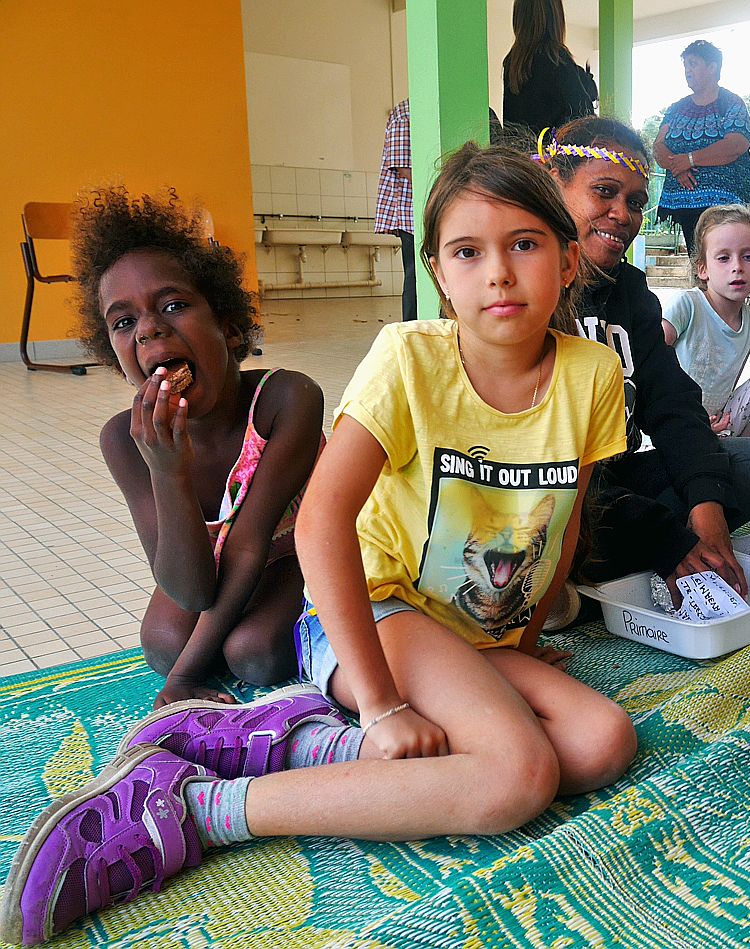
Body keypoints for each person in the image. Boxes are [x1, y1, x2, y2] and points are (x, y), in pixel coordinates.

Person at [1, 145, 636, 946]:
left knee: (601, 740)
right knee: (518, 773)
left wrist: (526, 637)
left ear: (569, 258)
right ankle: (193, 806)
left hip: (469, 631)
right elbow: (318, 525)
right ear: (439, 273)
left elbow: (564, 516)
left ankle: (300, 740)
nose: (498, 274)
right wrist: (383, 704)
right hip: (381, 610)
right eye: (468, 252)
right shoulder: (410, 360)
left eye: (524, 244)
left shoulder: (592, 375)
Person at [72, 188, 324, 708]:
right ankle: (220, 628)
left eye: (174, 305)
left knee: (254, 653)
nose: (149, 328)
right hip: (213, 566)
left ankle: (239, 630)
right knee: (162, 642)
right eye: (124, 322)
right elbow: (187, 589)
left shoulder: (287, 399)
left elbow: (251, 544)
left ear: (230, 330)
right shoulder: (124, 439)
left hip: (297, 554)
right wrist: (168, 471)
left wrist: (183, 679)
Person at [541, 116, 750, 597]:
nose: (621, 214)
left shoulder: (629, 292)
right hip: (549, 493)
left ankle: (579, 582)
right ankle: (575, 579)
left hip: (616, 490)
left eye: (634, 202)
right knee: (559, 513)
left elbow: (671, 402)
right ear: (554, 186)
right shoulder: (532, 295)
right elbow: (538, 466)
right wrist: (664, 536)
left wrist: (706, 502)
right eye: (604, 191)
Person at [661, 204, 750, 437]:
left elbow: (730, 383)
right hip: (672, 415)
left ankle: (740, 447)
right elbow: (653, 367)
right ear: (703, 269)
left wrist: (714, 421)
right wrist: (689, 414)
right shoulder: (687, 305)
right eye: (724, 258)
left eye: (747, 257)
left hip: (717, 421)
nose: (737, 267)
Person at [652, 40, 750, 255]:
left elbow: (736, 144)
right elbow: (658, 146)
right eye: (685, 65)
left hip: (723, 207)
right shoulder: (676, 109)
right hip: (684, 200)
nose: (687, 70)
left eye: (693, 64)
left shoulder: (731, 102)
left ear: (712, 67)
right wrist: (677, 167)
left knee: (722, 257)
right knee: (697, 259)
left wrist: (689, 159)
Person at [501, 0, 596, 136]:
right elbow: (586, 118)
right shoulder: (555, 58)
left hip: (520, 154)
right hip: (551, 154)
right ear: (556, 17)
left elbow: (511, 124)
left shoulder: (512, 63)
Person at [376, 99, 417, 323]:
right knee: (415, 275)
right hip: (413, 212)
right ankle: (412, 328)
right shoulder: (406, 114)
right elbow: (403, 168)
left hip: (432, 209)